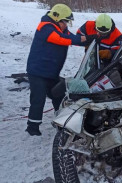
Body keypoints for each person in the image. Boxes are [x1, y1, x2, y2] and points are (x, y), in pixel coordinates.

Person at [25, 4, 96, 136]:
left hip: (51, 72)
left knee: (58, 95)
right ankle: (32, 127)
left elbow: (73, 39)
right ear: (57, 18)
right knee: (38, 99)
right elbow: (62, 40)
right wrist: (85, 38)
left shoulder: (61, 29)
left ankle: (61, 121)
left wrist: (92, 40)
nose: (66, 24)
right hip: (38, 72)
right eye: (65, 21)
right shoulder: (46, 27)